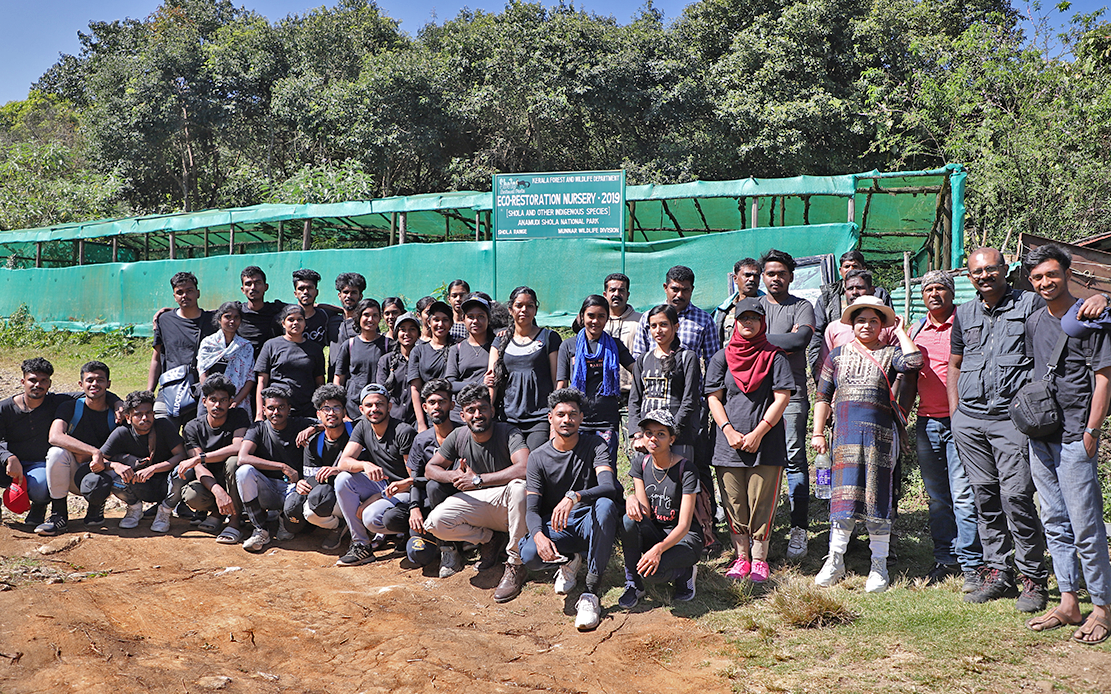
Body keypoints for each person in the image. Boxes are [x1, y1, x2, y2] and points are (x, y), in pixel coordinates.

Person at [949, 247, 1049, 609]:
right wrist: (955, 414)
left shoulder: (1030, 305)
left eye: (991, 269)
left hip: (1012, 421)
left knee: (1017, 498)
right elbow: (956, 363)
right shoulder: (965, 312)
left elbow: (1046, 358)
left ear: (1006, 270)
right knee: (985, 498)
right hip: (971, 421)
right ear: (969, 276)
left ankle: (1033, 578)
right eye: (977, 271)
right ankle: (998, 572)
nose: (984, 276)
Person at [1021, 244, 1111, 645]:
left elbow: (1105, 378)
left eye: (1052, 275)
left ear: (1068, 273)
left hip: (1077, 435)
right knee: (1054, 522)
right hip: (1041, 435)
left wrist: (1092, 430)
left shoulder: (1092, 317)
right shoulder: (1035, 320)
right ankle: (1069, 602)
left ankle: (1104, 608)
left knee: (1086, 525)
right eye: (1038, 277)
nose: (1045, 283)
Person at [812, 296, 922, 593]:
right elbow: (822, 397)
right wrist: (818, 432)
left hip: (880, 440)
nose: (867, 326)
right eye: (862, 320)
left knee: (877, 499)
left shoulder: (890, 354)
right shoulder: (835, 356)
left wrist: (900, 331)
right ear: (852, 324)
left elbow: (914, 362)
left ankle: (879, 565)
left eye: (875, 321)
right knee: (843, 501)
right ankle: (835, 560)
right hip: (845, 438)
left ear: (882, 325)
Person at [904, 270, 983, 589]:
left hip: (961, 421)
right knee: (937, 498)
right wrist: (901, 416)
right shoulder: (916, 329)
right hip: (927, 423)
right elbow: (909, 377)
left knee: (964, 495)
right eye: (928, 289)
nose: (934, 294)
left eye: (940, 288)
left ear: (951, 293)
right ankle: (944, 558)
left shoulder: (965, 322)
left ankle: (972, 564)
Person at [706, 298, 793, 583]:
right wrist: (729, 430)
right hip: (727, 442)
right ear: (735, 321)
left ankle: (759, 559)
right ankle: (740, 558)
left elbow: (782, 397)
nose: (748, 323)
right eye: (743, 318)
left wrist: (759, 432)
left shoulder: (774, 356)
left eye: (754, 318)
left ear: (762, 322)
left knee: (761, 502)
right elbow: (713, 398)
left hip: (765, 442)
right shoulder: (721, 357)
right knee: (734, 502)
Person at [519, 388, 620, 632]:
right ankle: (570, 560)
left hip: (590, 520)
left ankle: (591, 592)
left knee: (606, 506)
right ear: (550, 418)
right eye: (561, 414)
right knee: (530, 555)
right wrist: (538, 535)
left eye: (573, 414)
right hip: (557, 525)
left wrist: (574, 496)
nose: (567, 420)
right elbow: (532, 509)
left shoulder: (595, 444)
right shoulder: (538, 457)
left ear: (581, 418)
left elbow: (608, 487)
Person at [423, 384, 530, 602]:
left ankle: (515, 564)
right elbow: (429, 469)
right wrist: (455, 476)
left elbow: (525, 467)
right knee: (435, 522)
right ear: (462, 415)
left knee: (520, 487)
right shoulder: (458, 435)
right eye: (471, 410)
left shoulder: (508, 432)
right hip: (477, 502)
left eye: (482, 408)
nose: (477, 415)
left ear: (491, 410)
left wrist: (478, 480)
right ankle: (489, 539)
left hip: (506, 502)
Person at [757, 250, 817, 561]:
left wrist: (760, 339)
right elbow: (740, 344)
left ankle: (799, 529)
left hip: (791, 395)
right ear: (762, 277)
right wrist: (781, 338)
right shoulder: (754, 307)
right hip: (755, 398)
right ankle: (758, 532)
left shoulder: (802, 306)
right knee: (759, 459)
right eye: (770, 273)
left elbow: (799, 342)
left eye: (781, 273)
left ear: (791, 276)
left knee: (794, 460)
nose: (776, 278)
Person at [619, 410, 703, 608]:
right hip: (656, 531)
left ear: (672, 439)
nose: (653, 438)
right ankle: (632, 583)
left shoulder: (687, 469)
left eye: (661, 434)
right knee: (628, 519)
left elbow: (684, 525)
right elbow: (645, 513)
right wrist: (631, 498)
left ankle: (685, 572)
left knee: (653, 573)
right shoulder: (641, 462)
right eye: (648, 433)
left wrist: (658, 549)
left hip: (685, 537)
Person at [77, 390, 185, 532]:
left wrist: (154, 468)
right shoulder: (122, 432)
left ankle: (164, 511)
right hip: (138, 483)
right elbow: (99, 461)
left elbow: (181, 455)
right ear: (128, 417)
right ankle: (135, 508)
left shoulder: (164, 426)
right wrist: (116, 465)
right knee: (114, 478)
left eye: (149, 413)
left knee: (185, 469)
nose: (144, 418)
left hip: (167, 482)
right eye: (138, 414)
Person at [333, 383, 416, 566]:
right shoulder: (363, 426)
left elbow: (414, 480)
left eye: (379, 404)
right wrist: (364, 464)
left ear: (389, 406)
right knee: (343, 479)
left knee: (371, 517)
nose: (374, 409)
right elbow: (344, 462)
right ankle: (361, 545)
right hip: (384, 486)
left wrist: (378, 496)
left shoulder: (403, 432)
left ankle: (407, 532)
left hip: (404, 488)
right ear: (361, 409)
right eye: (369, 405)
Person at [38, 361, 123, 536]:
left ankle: (95, 508)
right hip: (73, 471)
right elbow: (55, 436)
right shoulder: (70, 407)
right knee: (56, 452)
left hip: (102, 470)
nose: (94, 384)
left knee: (107, 475)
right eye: (89, 380)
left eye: (100, 380)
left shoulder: (116, 413)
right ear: (81, 384)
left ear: (108, 384)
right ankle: (58, 515)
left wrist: (102, 460)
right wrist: (93, 452)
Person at [235, 385, 320, 552]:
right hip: (268, 487)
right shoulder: (257, 428)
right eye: (271, 408)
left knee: (289, 529)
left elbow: (333, 422)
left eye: (281, 407)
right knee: (244, 472)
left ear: (289, 408)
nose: (276, 412)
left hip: (294, 488)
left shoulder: (300, 423)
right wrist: (282, 467)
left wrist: (314, 428)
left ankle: (284, 520)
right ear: (264, 410)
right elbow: (242, 457)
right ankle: (260, 529)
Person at [556, 295, 635, 463]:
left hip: (607, 420)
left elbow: (636, 370)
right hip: (577, 420)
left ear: (607, 318)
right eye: (591, 315)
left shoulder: (614, 345)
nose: (595, 321)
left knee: (606, 467)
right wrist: (556, 418)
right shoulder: (568, 346)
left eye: (601, 316)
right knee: (579, 468)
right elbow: (561, 384)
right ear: (582, 316)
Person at [0, 359, 77, 528]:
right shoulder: (4, 408)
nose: (38, 385)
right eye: (32, 380)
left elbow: (91, 393)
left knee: (42, 488)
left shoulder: (55, 401)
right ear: (23, 381)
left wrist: (116, 402)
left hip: (39, 465)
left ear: (49, 383)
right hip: (9, 464)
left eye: (43, 381)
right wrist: (8, 457)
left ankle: (39, 507)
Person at [486, 286, 562, 451]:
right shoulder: (499, 342)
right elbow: (492, 381)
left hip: (540, 418)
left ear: (535, 309)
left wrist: (556, 416)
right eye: (519, 305)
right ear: (510, 309)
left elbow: (558, 381)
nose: (524, 310)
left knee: (533, 464)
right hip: (508, 419)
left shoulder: (549, 338)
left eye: (530, 306)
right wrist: (489, 409)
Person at [178, 375, 251, 543]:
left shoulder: (238, 415)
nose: (217, 405)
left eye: (223, 400)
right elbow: (199, 468)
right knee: (191, 495)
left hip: (234, 478)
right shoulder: (192, 427)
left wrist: (200, 458)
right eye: (213, 400)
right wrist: (218, 491)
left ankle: (234, 520)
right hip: (210, 482)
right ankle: (217, 512)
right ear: (204, 401)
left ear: (231, 401)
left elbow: (238, 447)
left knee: (234, 461)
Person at [627, 305, 701, 463]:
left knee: (679, 483)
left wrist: (668, 432)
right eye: (653, 326)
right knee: (648, 483)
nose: (658, 330)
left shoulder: (687, 358)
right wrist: (638, 434)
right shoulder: (643, 360)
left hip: (678, 437)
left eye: (663, 324)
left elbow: (689, 400)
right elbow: (634, 400)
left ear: (676, 326)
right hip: (648, 439)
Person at [400, 379, 459, 567]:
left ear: (452, 404)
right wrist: (414, 508)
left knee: (434, 484)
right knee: (418, 555)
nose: (437, 406)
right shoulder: (421, 439)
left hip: (460, 499)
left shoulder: (464, 433)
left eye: (442, 401)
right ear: (424, 407)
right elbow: (415, 479)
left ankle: (449, 546)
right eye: (432, 402)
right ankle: (432, 539)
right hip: (429, 503)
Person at [288, 384, 353, 550]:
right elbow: (313, 478)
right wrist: (303, 483)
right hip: (333, 494)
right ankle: (340, 526)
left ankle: (362, 528)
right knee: (304, 505)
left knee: (338, 483)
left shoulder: (356, 431)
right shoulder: (315, 442)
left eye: (336, 408)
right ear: (318, 414)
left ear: (344, 412)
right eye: (326, 409)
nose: (331, 413)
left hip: (360, 491)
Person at [809, 250, 894, 372]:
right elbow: (817, 335)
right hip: (839, 366)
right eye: (847, 266)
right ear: (840, 270)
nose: (850, 269)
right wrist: (817, 371)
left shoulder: (879, 295)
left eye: (855, 266)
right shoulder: (827, 298)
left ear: (863, 269)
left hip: (876, 362)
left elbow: (890, 329)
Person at [149, 271, 215, 423]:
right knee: (162, 432)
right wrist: (149, 391)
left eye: (189, 290)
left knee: (197, 437)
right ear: (174, 296)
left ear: (198, 293)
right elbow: (156, 358)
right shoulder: (164, 320)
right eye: (179, 292)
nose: (185, 295)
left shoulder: (213, 321)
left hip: (202, 390)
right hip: (171, 388)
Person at [633, 265, 717, 367]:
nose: (679, 295)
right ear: (665, 288)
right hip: (654, 380)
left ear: (692, 289)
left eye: (685, 290)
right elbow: (639, 357)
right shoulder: (648, 318)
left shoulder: (704, 320)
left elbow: (712, 362)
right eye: (675, 289)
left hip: (689, 382)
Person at [254, 304, 326, 418]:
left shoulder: (315, 349)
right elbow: (262, 382)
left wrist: (321, 411)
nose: (295, 323)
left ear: (305, 322)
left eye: (299, 319)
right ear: (283, 323)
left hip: (306, 411)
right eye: (291, 320)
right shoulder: (271, 345)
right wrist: (259, 413)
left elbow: (320, 383)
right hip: (277, 411)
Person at [334, 298, 391, 421]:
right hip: (353, 408)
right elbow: (338, 379)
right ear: (358, 317)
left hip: (380, 409)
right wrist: (342, 411)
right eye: (366, 315)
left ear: (380, 318)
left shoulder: (388, 345)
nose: (370, 319)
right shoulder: (349, 345)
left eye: (375, 315)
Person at [444, 293, 495, 424]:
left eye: (481, 317)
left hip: (486, 414)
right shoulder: (456, 349)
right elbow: (450, 384)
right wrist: (479, 383)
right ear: (463, 319)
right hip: (460, 415)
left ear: (489, 319)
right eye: (470, 317)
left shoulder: (496, 347)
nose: (475, 321)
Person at [197, 301, 255, 412]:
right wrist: (213, 398)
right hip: (210, 400)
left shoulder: (245, 347)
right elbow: (202, 372)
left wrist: (235, 401)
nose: (232, 321)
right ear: (219, 319)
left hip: (236, 400)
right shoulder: (208, 343)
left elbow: (250, 378)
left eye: (236, 317)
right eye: (227, 317)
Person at [409, 300, 456, 431]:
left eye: (445, 320)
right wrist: (421, 423)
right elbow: (415, 389)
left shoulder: (458, 347)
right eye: (436, 320)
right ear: (429, 322)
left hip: (455, 416)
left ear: (451, 323)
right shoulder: (418, 351)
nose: (440, 324)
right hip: (430, 416)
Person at [602, 273, 642, 401]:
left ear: (628, 295)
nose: (616, 294)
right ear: (605, 294)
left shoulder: (641, 321)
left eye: (621, 290)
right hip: (603, 392)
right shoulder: (597, 322)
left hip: (633, 392)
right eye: (612, 290)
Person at [377, 312, 420, 426]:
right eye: (402, 329)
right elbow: (381, 392)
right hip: (391, 421)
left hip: (418, 421)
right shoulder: (386, 361)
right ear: (396, 333)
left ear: (418, 333)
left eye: (412, 329)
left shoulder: (424, 359)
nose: (407, 333)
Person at [714, 258, 764, 350]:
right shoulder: (724, 310)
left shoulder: (767, 306)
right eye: (747, 275)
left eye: (756, 276)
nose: (752, 279)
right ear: (735, 279)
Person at [236, 267, 286, 358]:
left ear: (266, 287)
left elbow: (300, 309)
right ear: (242, 290)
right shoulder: (236, 312)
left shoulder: (277, 309)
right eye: (248, 284)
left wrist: (316, 306)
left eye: (257, 283)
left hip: (270, 366)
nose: (253, 288)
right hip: (242, 367)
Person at [328, 272, 367, 380]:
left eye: (353, 292)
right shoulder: (331, 321)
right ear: (339, 295)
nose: (349, 296)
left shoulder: (366, 323)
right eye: (345, 292)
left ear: (360, 296)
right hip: (334, 380)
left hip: (357, 381)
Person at [291, 269, 333, 348]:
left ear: (316, 292)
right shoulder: (286, 317)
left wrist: (319, 305)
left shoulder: (324, 315)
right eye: (301, 288)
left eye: (309, 288)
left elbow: (345, 311)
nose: (306, 292)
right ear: (295, 293)